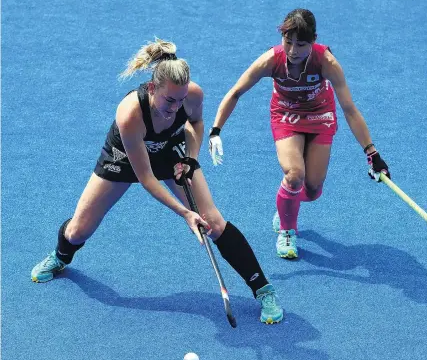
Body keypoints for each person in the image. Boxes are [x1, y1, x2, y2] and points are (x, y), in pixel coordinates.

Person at [30, 38, 283, 324]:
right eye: (169, 100)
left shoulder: (192, 96)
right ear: (152, 88)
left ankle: (263, 289)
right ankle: (61, 256)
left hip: (170, 151)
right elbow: (147, 179)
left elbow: (196, 124)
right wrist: (186, 213)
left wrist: (190, 158)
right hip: (125, 156)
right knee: (78, 230)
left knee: (212, 221)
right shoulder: (130, 115)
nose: (175, 108)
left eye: (181, 99)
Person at [209, 9, 390, 259]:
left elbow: (349, 109)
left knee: (313, 190)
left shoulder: (327, 63)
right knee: (295, 175)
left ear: (313, 41)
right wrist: (216, 130)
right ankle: (287, 228)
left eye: (301, 44)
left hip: (320, 114)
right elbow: (235, 92)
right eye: (288, 42)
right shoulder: (271, 61)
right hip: (286, 115)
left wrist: (372, 152)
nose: (293, 50)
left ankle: (287, 202)